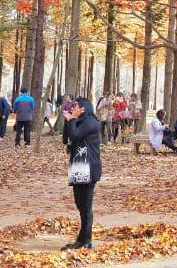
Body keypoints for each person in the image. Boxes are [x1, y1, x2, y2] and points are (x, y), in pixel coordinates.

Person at [61, 97, 101, 250]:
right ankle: (83, 239)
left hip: (89, 168)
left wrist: (72, 120)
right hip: (78, 167)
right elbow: (67, 139)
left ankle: (85, 240)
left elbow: (75, 135)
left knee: (86, 205)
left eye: (75, 106)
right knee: (80, 204)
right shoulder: (78, 121)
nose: (72, 108)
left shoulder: (91, 122)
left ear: (83, 108)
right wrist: (68, 121)